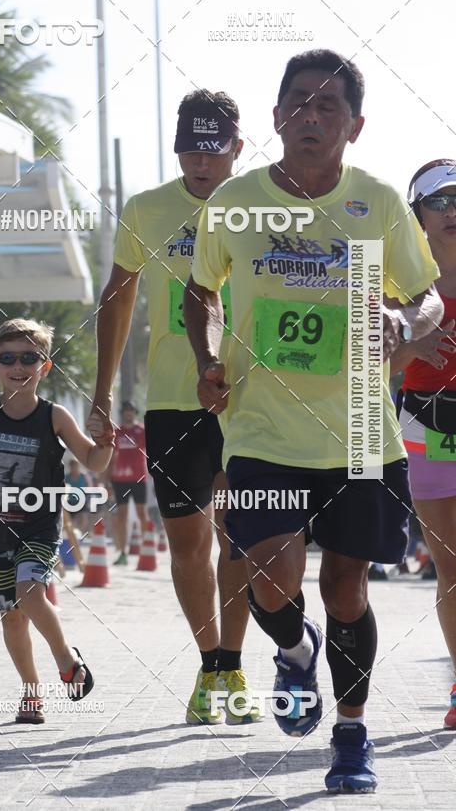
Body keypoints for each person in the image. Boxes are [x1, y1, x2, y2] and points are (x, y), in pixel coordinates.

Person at [184, 49, 443, 791]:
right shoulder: (235, 204)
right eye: (299, 102)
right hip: (263, 428)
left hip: (359, 430)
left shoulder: (379, 202)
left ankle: (352, 734)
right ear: (276, 117)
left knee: (348, 589)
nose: (311, 115)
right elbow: (200, 291)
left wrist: (403, 321)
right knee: (270, 573)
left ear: (354, 126)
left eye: (329, 105)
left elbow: (426, 295)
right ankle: (296, 652)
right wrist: (208, 358)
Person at [87, 89, 260, 726]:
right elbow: (117, 298)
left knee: (241, 535)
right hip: (171, 400)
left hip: (249, 398)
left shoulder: (266, 206)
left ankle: (233, 664)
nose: (201, 163)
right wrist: (102, 393)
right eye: (190, 150)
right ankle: (210, 665)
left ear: (237, 149)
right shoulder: (147, 208)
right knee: (188, 544)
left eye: (213, 151)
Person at [0, 318, 112, 723]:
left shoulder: (54, 416)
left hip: (39, 526)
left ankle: (67, 660)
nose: (18, 366)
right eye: (7, 359)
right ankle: (31, 692)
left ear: (45, 366)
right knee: (13, 617)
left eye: (28, 358)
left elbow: (94, 461)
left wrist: (106, 441)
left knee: (30, 593)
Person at [391, 159, 456, 728]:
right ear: (418, 215)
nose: (452, 211)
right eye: (440, 201)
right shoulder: (398, 280)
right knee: (449, 566)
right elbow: (361, 363)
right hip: (425, 425)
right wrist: (409, 350)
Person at [107, 400, 148, 565]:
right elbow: (111, 458)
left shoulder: (142, 431)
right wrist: (107, 481)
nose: (128, 413)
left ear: (135, 413)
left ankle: (146, 548)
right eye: (126, 410)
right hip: (120, 480)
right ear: (122, 413)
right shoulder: (117, 432)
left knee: (142, 514)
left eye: (131, 410)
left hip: (138, 478)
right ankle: (122, 552)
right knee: (121, 516)